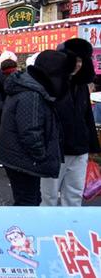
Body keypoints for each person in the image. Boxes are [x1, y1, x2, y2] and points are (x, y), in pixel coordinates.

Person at [0, 50, 72, 206]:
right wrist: (41, 156)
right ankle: (18, 230)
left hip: (16, 156)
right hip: (23, 159)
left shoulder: (27, 85)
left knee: (29, 200)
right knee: (28, 203)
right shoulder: (32, 93)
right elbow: (30, 132)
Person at [41, 39, 101, 206]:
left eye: (81, 60)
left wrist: (92, 147)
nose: (77, 64)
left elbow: (87, 116)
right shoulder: (50, 85)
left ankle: (70, 228)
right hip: (54, 151)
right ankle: (45, 229)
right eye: (74, 60)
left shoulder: (81, 86)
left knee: (74, 194)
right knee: (48, 196)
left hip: (79, 149)